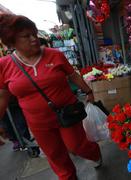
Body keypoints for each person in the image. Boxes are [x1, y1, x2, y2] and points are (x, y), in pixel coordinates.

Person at [0, 14, 102, 180]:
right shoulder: (4, 65)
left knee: (77, 146)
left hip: (67, 113)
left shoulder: (54, 55)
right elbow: (2, 96)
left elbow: (73, 75)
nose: (34, 39)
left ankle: (94, 152)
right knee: (55, 155)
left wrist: (88, 92)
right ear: (12, 41)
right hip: (38, 122)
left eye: (34, 34)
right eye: (26, 36)